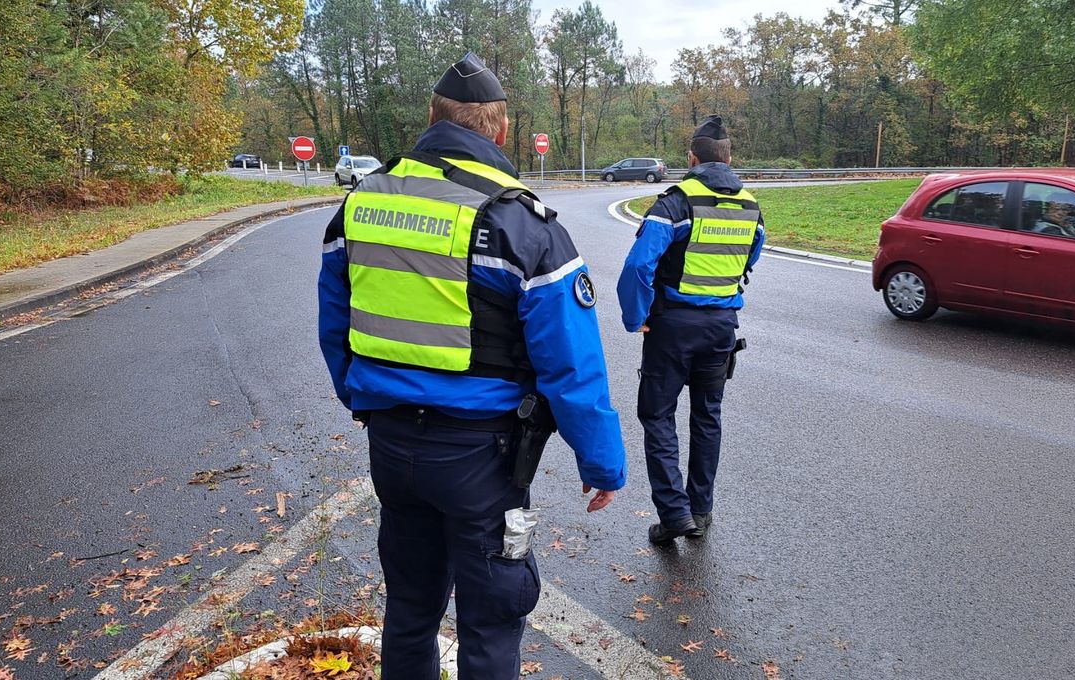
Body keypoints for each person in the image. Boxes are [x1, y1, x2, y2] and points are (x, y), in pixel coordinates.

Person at [317, 52, 627, 680]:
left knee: (408, 609)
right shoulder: (518, 221)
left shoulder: (360, 204)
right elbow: (571, 367)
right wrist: (602, 462)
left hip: (392, 445)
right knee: (491, 620)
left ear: (432, 117)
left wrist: (363, 400)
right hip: (480, 460)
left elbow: (335, 324)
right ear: (501, 130)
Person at [616, 115, 765, 545]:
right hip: (721, 328)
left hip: (672, 327)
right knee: (707, 416)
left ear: (691, 158)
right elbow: (750, 257)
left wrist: (635, 317)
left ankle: (674, 513)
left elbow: (638, 266)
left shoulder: (675, 203)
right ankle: (701, 508)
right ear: (730, 158)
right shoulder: (751, 206)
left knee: (657, 414)